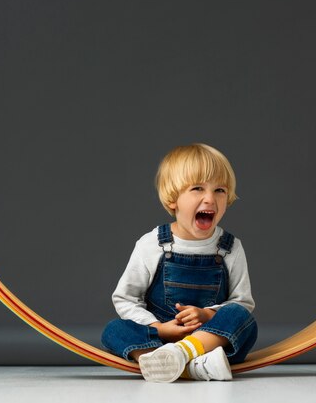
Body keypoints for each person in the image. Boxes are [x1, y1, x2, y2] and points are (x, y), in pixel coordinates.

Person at [101, 143, 257, 383]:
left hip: (212, 343)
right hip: (161, 337)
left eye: (220, 190)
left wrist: (207, 315)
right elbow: (126, 298)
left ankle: (183, 356)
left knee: (242, 318)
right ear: (173, 199)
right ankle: (181, 365)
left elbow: (242, 301)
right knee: (113, 330)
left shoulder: (230, 247)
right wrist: (159, 328)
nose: (210, 198)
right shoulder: (151, 244)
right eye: (197, 188)